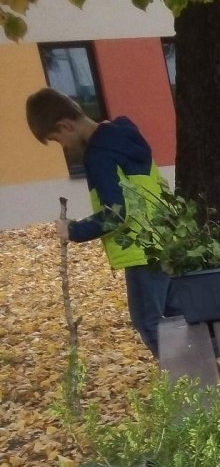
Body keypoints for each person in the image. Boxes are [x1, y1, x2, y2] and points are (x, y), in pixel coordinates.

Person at [25, 88, 173, 357]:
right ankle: (211, 368)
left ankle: (192, 377)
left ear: (66, 125)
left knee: (149, 323)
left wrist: (74, 230)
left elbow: (116, 213)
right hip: (164, 240)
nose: (64, 147)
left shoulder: (98, 155)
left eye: (57, 140)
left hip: (140, 250)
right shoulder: (123, 135)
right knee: (175, 314)